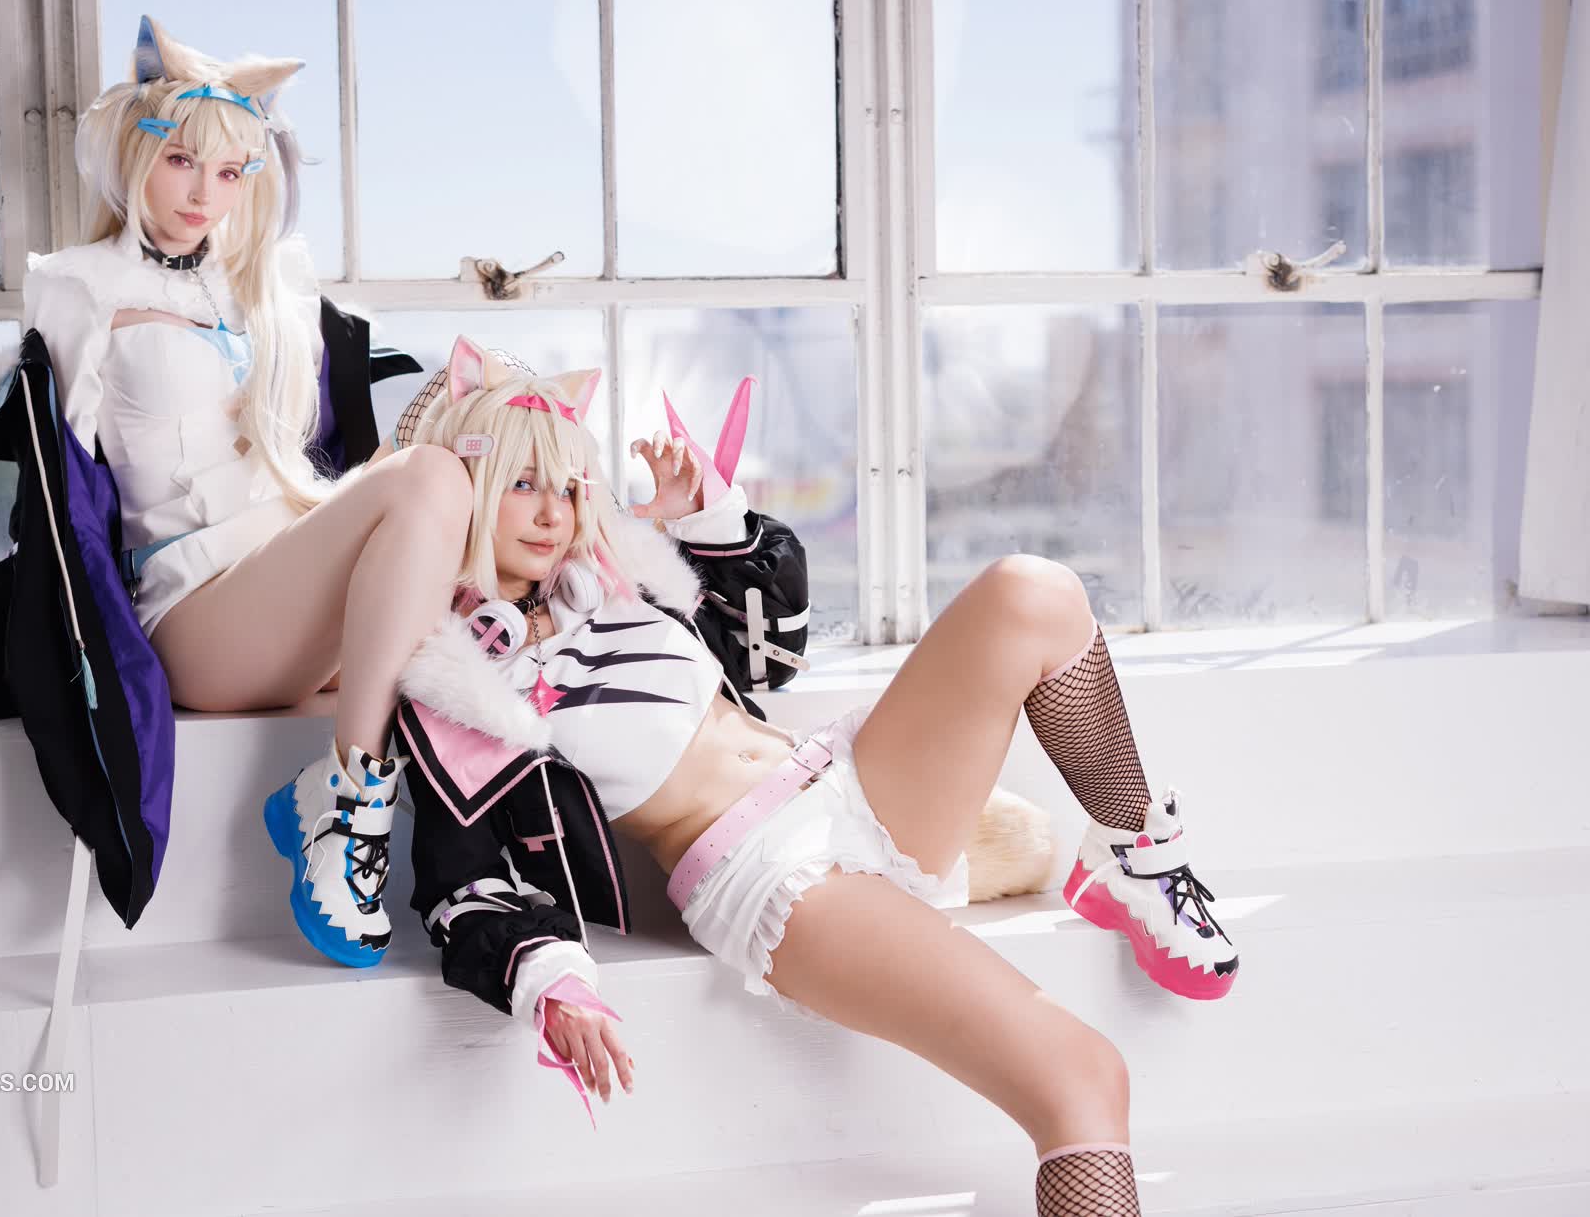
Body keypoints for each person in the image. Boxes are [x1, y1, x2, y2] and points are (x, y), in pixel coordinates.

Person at [390, 339, 1238, 1217]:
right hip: (771, 875)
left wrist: (703, 518)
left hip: (844, 777)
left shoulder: (611, 588)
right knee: (1084, 1076)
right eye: (522, 484)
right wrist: (551, 983)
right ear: (465, 493)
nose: (553, 512)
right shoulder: (463, 685)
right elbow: (461, 882)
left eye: (568, 487)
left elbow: (771, 654)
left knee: (1034, 594)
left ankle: (1132, 855)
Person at [0, 15, 459, 959]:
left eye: (232, 173)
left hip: (288, 583)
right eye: (181, 162)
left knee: (454, 469)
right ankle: (347, 809)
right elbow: (65, 501)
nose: (206, 194)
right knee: (424, 479)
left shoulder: (270, 290)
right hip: (194, 609)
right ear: (135, 155)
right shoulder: (81, 288)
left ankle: (439, 848)